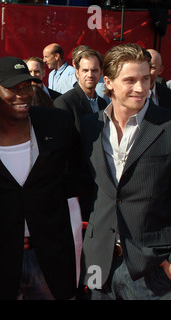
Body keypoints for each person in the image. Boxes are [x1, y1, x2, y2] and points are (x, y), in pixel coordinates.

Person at [0, 56, 78, 300]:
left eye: (26, 86)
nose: (23, 95)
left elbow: (80, 176)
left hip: (49, 259)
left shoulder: (57, 124)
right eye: (13, 89)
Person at [80, 43, 171, 300]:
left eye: (146, 79)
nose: (141, 88)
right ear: (108, 82)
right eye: (130, 80)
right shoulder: (91, 126)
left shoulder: (167, 126)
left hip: (152, 269)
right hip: (99, 264)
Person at [54, 49, 107, 134]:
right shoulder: (64, 102)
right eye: (85, 70)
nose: (90, 75)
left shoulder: (102, 103)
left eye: (94, 70)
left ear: (101, 73)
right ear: (77, 73)